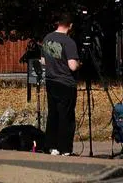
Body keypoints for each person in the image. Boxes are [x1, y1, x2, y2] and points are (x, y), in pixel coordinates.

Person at [40, 13, 80, 156]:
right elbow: (73, 66)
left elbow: (43, 61)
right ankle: (65, 148)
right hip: (65, 83)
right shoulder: (69, 42)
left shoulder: (47, 38)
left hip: (51, 81)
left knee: (53, 114)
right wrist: (79, 63)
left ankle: (51, 146)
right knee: (66, 117)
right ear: (70, 25)